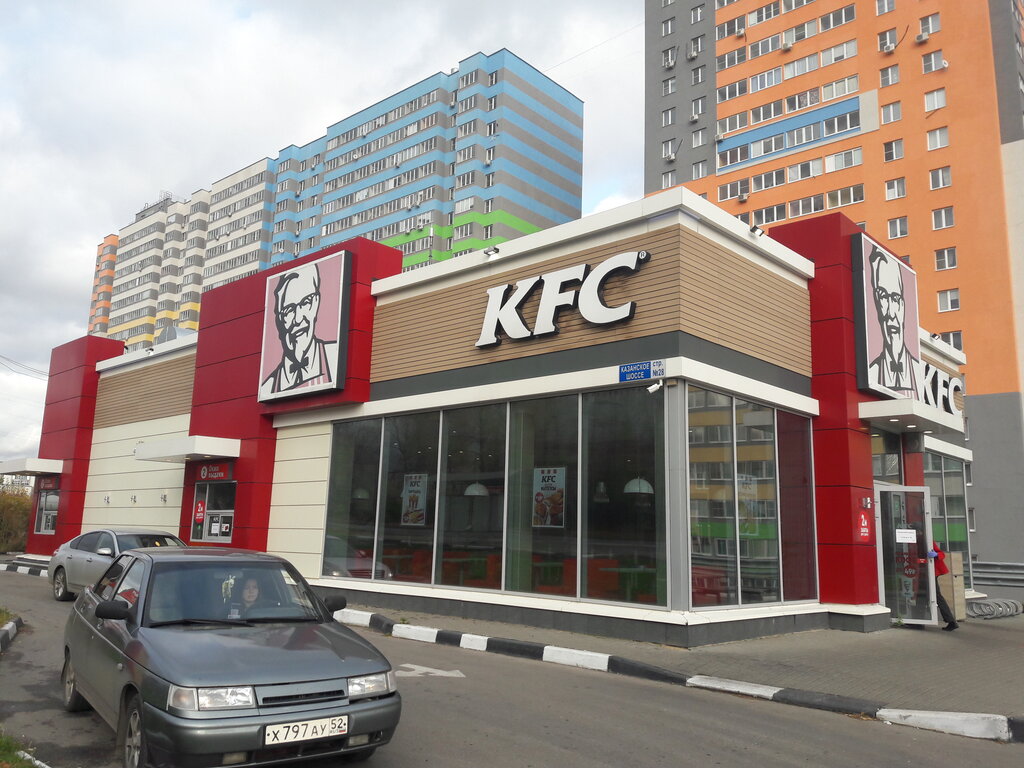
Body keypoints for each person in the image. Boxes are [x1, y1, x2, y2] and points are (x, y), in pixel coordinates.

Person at [259, 263, 338, 397]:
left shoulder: (334, 358)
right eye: (289, 310)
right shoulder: (267, 389)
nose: (298, 319)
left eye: (305, 302)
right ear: (279, 319)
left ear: (316, 303)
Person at [867, 246, 919, 393]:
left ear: (903, 304)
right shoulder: (871, 372)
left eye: (895, 298)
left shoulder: (918, 374)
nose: (891, 313)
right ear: (876, 301)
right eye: (883, 296)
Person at [927, 542, 959, 631]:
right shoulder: (921, 538)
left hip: (930, 571)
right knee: (934, 595)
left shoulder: (927, 539)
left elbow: (941, 554)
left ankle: (951, 621)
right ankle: (951, 621)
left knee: (936, 595)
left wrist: (936, 555)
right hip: (927, 571)